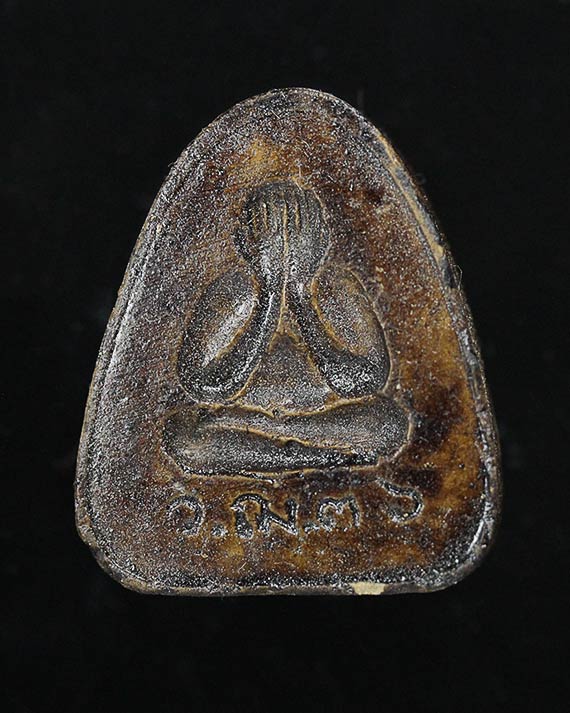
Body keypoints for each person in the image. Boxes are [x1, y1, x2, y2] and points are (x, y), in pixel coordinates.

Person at [163, 181, 409, 475]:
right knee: (185, 437)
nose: (284, 244)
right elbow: (204, 385)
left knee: (388, 424)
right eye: (270, 230)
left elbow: (366, 380)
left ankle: (286, 446)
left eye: (296, 230)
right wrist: (269, 292)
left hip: (317, 418)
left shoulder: (335, 286)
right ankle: (320, 458)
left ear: (320, 240)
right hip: (240, 417)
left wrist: (298, 292)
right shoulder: (233, 289)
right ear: (244, 241)